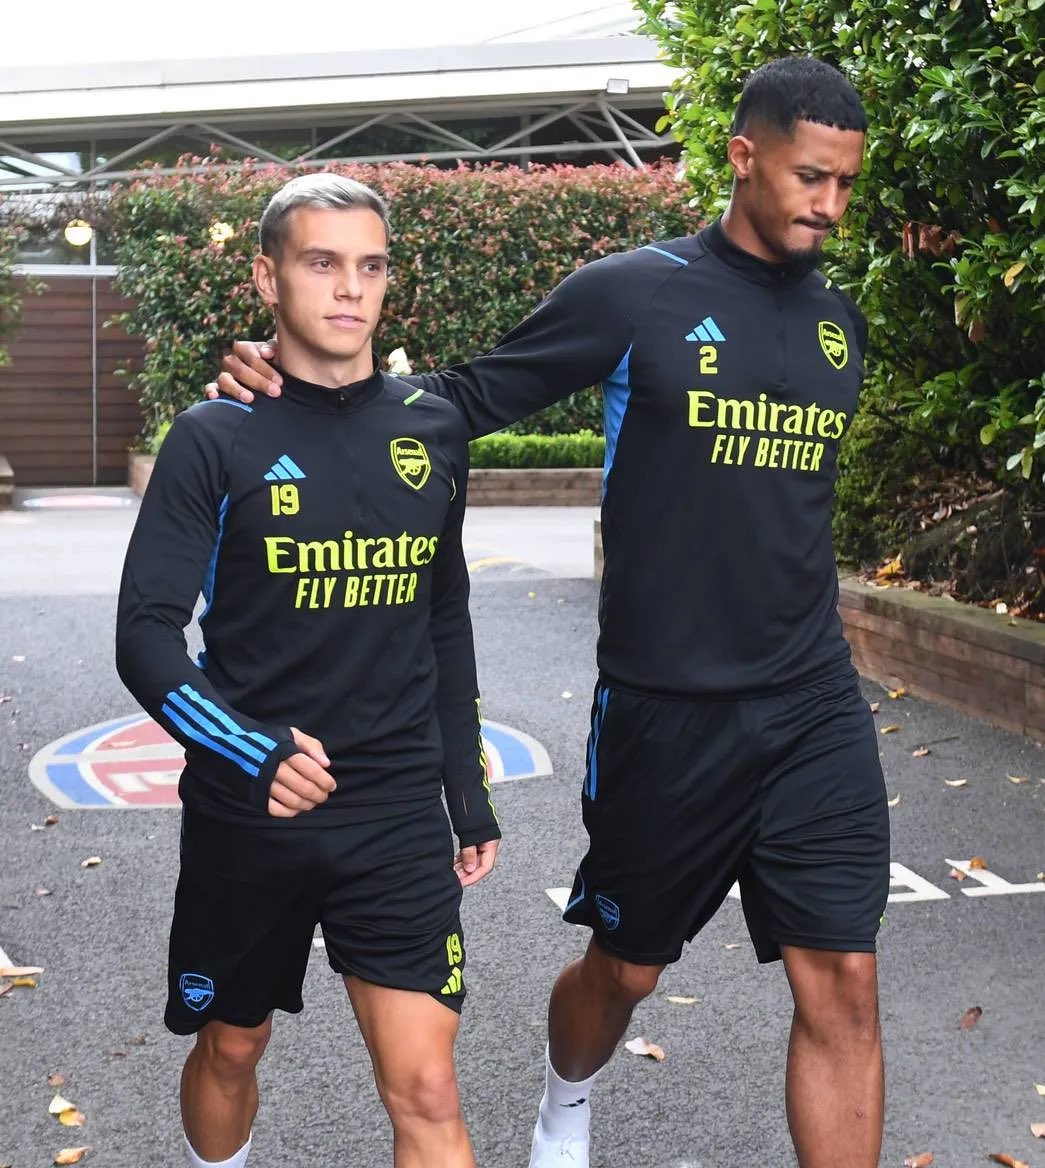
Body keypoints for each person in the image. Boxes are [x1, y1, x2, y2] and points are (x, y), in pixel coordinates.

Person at [210, 57, 889, 1168]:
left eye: (845, 186)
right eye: (809, 177)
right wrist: (278, 384)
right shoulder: (638, 290)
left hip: (812, 699)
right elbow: (461, 400)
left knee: (846, 982)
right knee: (626, 970)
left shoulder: (839, 325)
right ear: (742, 156)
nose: (828, 204)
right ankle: (565, 1097)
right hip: (668, 712)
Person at [117, 172, 500, 1168]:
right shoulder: (214, 437)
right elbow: (146, 636)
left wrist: (466, 788)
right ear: (268, 276)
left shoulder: (433, 426)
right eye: (321, 262)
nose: (348, 288)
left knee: (426, 1084)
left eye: (369, 266)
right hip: (255, 812)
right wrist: (251, 750)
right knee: (234, 1044)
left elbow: (443, 613)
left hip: (394, 812)